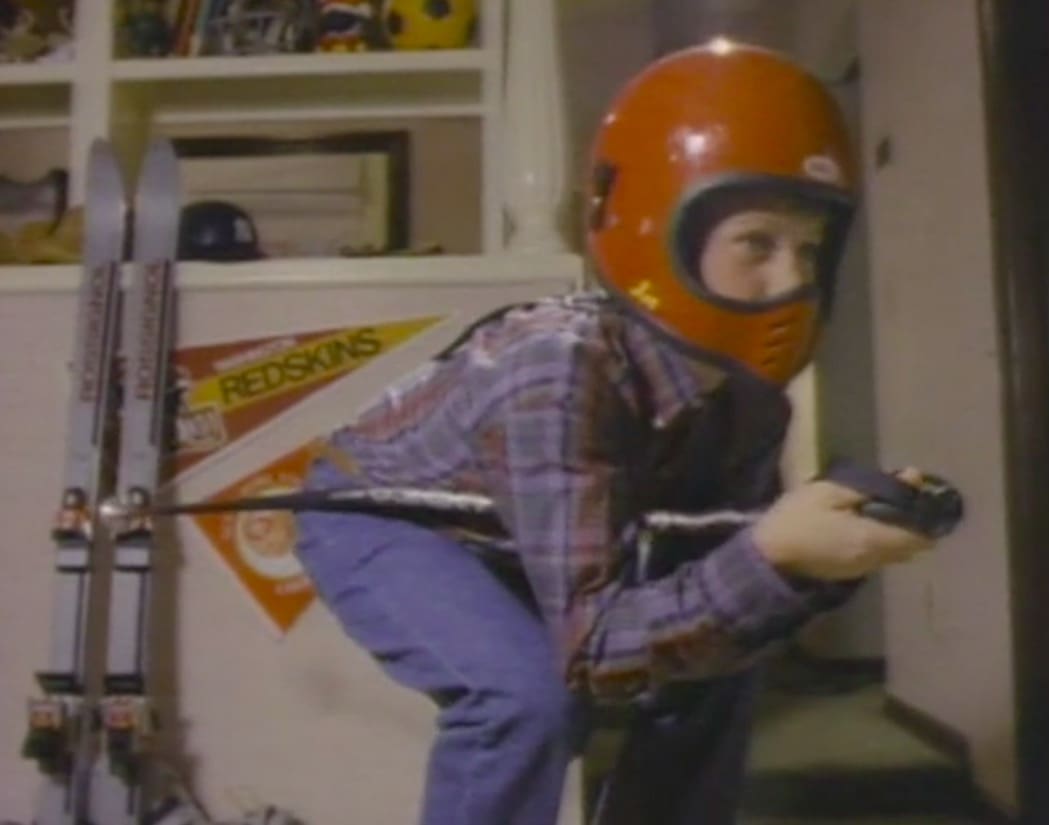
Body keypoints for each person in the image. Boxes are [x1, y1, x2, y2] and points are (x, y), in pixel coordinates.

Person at [293, 40, 935, 825]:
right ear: (662, 229)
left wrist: (827, 554)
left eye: (810, 248)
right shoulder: (555, 369)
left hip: (516, 521)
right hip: (384, 511)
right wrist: (774, 553)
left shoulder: (747, 399)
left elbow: (717, 584)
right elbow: (597, 650)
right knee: (527, 700)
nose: (794, 280)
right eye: (757, 243)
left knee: (721, 662)